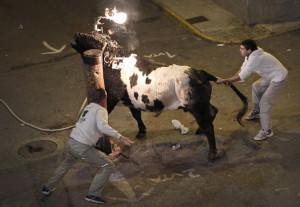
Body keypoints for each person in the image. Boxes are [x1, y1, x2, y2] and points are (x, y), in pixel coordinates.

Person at [42, 88, 133, 204]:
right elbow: (101, 126)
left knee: (66, 164)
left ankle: (47, 187)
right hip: (82, 147)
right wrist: (121, 137)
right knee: (108, 165)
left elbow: (92, 126)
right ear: (104, 99)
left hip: (71, 143)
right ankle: (93, 195)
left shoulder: (88, 108)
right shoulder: (101, 110)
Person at [216, 39, 288, 141]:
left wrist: (225, 80)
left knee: (265, 102)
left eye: (242, 49)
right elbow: (242, 69)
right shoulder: (250, 55)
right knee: (256, 86)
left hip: (279, 78)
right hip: (269, 76)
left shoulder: (255, 58)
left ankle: (267, 131)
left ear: (249, 50)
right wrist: (231, 79)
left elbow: (242, 76)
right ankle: (257, 111)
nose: (240, 50)